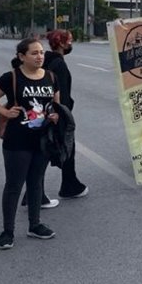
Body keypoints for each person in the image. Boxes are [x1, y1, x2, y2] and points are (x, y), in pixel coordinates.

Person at [0, 38, 60, 250]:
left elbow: (55, 106)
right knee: (14, 185)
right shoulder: (12, 77)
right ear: (21, 57)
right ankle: (8, 231)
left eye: (42, 52)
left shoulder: (51, 77)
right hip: (17, 140)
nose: (40, 56)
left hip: (43, 140)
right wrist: (5, 112)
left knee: (36, 182)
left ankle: (34, 225)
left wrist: (54, 116)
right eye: (34, 53)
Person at [42, 30, 88, 200]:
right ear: (61, 43)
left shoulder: (48, 60)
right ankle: (68, 186)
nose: (71, 44)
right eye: (69, 41)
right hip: (56, 114)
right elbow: (60, 93)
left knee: (48, 151)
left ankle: (69, 184)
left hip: (45, 112)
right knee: (62, 150)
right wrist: (64, 114)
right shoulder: (58, 64)